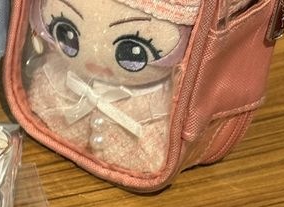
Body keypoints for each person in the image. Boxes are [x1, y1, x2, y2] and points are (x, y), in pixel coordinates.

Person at [26, 0, 196, 173]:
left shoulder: (157, 105)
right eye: (67, 34)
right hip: (69, 83)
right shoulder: (57, 78)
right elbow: (41, 105)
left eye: (133, 51)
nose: (94, 63)